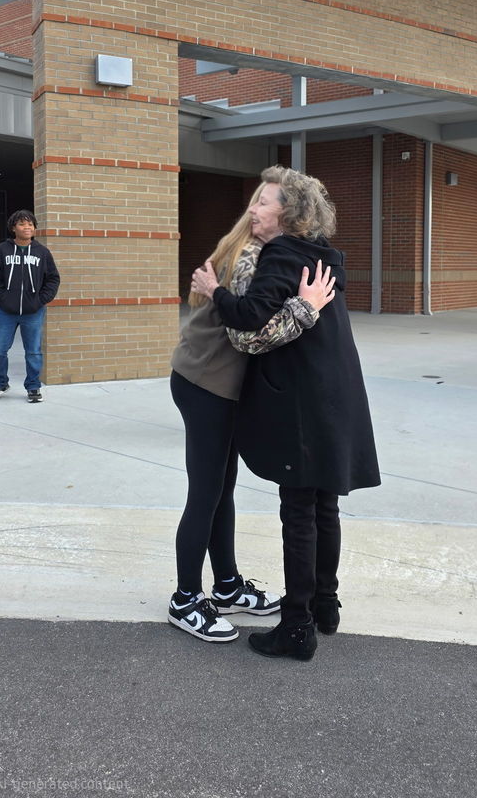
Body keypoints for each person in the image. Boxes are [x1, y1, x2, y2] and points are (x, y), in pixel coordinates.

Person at [191, 166, 380, 661]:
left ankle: (296, 627)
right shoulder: (322, 254)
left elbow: (249, 318)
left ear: (289, 212)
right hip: (337, 394)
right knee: (324, 505)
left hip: (302, 401)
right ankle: (325, 605)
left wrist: (214, 291)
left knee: (298, 511)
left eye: (263, 202)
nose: (253, 209)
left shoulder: (282, 253)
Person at [168, 185, 335, 643]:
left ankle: (226, 585)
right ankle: (185, 598)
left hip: (218, 385)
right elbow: (249, 336)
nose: (252, 207)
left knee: (222, 491)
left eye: (263, 201)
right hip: (207, 384)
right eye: (255, 200)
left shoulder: (265, 253)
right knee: (207, 493)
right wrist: (306, 307)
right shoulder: (250, 259)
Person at [0, 209, 60, 404]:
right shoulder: (1, 250)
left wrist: (40, 300)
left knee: (33, 351)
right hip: (6, 311)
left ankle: (33, 386)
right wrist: (3, 299)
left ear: (34, 228)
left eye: (30, 224)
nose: (27, 227)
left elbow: (53, 279)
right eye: (22, 224)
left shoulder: (42, 252)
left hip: (33, 311)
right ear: (13, 228)